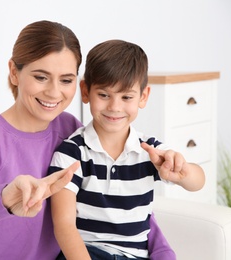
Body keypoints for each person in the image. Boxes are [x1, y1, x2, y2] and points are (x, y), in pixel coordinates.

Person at [0, 21, 173, 260]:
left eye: (66, 80)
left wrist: (162, 252)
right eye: (40, 77)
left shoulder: (71, 131)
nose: (53, 92)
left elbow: (121, 204)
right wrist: (1, 199)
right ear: (15, 72)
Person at [49, 39, 205, 259]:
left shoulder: (150, 151)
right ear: (85, 92)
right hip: (87, 253)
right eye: (104, 95)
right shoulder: (71, 153)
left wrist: (183, 172)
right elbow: (64, 226)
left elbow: (198, 182)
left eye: (126, 97)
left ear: (143, 97)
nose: (115, 107)